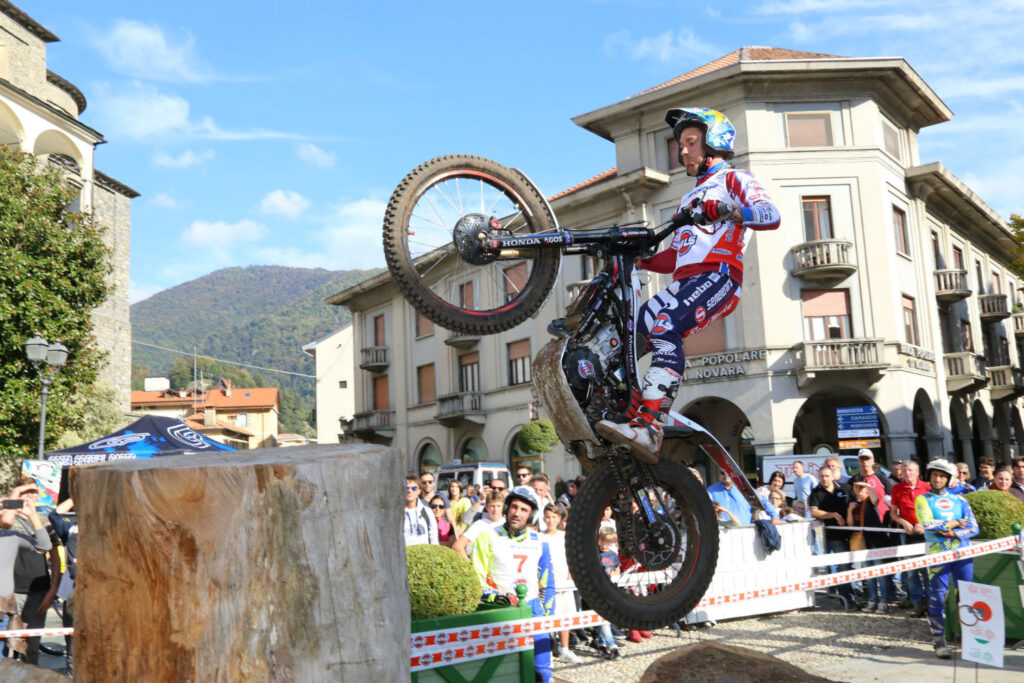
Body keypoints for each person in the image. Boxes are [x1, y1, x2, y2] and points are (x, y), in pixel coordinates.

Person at [596, 106, 779, 462]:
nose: (682, 151)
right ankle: (620, 412)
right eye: (681, 145)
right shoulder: (688, 198)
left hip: (720, 277)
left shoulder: (734, 179)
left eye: (690, 143)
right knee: (624, 337)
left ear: (714, 142)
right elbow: (676, 257)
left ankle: (650, 426)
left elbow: (771, 215)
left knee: (665, 328)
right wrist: (640, 258)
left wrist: (729, 211)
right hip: (685, 282)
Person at [472, 486, 555, 682]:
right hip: (502, 609)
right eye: (514, 507)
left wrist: (548, 621)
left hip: (534, 608)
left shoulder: (540, 541)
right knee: (505, 672)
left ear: (531, 515)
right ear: (507, 508)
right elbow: (477, 577)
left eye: (524, 510)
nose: (517, 513)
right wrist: (495, 597)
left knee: (542, 671)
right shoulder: (487, 536)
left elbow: (547, 583)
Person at [915, 459, 978, 659]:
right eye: (935, 474)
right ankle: (939, 642)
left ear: (949, 478)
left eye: (942, 475)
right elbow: (927, 524)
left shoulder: (961, 500)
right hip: (937, 554)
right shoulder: (923, 499)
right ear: (929, 476)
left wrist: (953, 532)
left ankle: (970, 639)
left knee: (967, 597)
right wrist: (957, 522)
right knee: (938, 597)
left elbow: (974, 527)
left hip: (962, 553)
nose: (938, 478)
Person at [8, 480, 61, 666]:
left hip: (38, 591)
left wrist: (52, 590)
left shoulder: (46, 520)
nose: (30, 496)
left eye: (34, 492)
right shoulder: (8, 517)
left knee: (32, 645)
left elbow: (54, 557)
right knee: (8, 645)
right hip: (9, 591)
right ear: (18, 494)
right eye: (26, 492)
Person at [847, 475, 896, 614]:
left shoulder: (869, 499)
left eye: (861, 486)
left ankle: (884, 601)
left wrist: (869, 486)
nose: (859, 489)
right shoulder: (852, 502)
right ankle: (873, 599)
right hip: (864, 541)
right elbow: (850, 524)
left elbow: (876, 500)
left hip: (876, 540)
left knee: (881, 573)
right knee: (868, 573)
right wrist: (850, 510)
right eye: (857, 486)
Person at [808, 466, 855, 607]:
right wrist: (832, 514)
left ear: (833, 476)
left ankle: (851, 593)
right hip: (834, 536)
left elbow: (854, 502)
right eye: (821, 476)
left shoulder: (845, 488)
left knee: (854, 564)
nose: (824, 479)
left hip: (852, 532)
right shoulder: (816, 492)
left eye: (827, 476)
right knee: (843, 566)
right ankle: (846, 597)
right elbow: (814, 512)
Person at [541, 505, 581, 664]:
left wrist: (570, 576)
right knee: (548, 618)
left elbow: (571, 557)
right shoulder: (539, 536)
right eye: (547, 517)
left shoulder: (565, 536)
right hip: (547, 584)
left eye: (554, 517)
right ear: (544, 518)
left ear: (559, 519)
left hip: (564, 581)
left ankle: (564, 649)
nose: (550, 520)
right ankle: (548, 651)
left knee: (566, 615)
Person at [890, 461, 930, 617]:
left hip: (926, 533)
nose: (908, 473)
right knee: (911, 572)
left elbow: (933, 509)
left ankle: (931, 601)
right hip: (909, 535)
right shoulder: (897, 489)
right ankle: (917, 603)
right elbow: (893, 513)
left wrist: (923, 523)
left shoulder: (927, 487)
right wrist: (903, 522)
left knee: (928, 570)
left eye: (911, 470)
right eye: (905, 471)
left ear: (917, 472)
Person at [453, 490, 506, 560]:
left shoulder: (508, 523)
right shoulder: (480, 525)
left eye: (498, 506)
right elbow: (457, 546)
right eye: (492, 506)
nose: (495, 509)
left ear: (503, 507)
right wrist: (470, 566)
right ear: (487, 507)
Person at [403, 475, 437, 546]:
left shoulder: (427, 512)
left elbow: (434, 539)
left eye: (414, 488)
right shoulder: (395, 514)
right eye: (406, 488)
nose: (409, 491)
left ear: (419, 491)